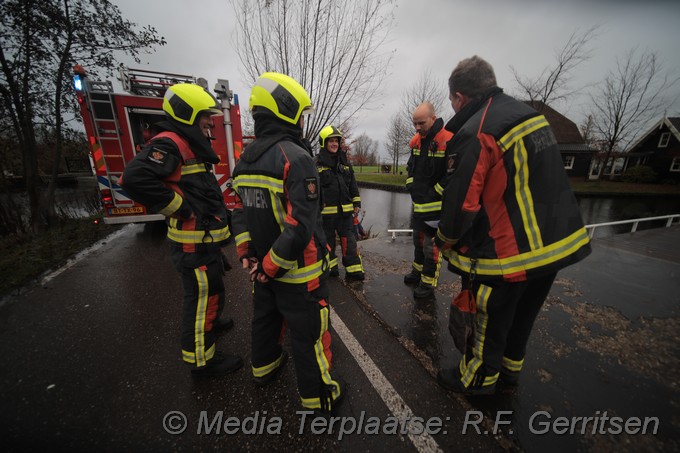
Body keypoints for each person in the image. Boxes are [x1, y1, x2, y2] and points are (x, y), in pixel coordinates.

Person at [435, 56, 591, 395]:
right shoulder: (532, 117)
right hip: (552, 247)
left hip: (507, 251)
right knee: (522, 318)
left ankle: (476, 378)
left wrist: (444, 239)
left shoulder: (476, 129)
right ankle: (508, 373)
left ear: (459, 96)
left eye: (451, 100)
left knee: (489, 317)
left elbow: (462, 201)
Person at [230, 72, 345, 415]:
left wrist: (249, 257)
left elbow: (239, 213)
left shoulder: (245, 158)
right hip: (298, 274)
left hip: (262, 269)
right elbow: (300, 226)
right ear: (285, 109)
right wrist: (269, 267)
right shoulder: (295, 157)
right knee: (310, 331)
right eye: (299, 113)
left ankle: (263, 369)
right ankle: (318, 397)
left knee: (265, 320)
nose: (301, 120)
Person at [120, 83, 243, 377]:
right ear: (188, 114)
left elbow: (200, 190)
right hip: (192, 246)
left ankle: (210, 325)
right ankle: (202, 362)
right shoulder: (170, 143)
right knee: (201, 301)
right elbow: (133, 179)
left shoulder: (188, 144)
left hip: (202, 243)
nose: (210, 123)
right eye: (205, 116)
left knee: (212, 291)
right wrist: (181, 208)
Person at [404, 102, 453, 298]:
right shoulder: (416, 141)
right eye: (414, 123)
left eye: (421, 123)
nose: (417, 127)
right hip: (419, 204)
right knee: (418, 240)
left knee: (431, 245)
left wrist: (435, 192)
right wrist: (411, 185)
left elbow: (453, 174)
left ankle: (428, 281)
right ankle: (417, 272)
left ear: (433, 118)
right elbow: (410, 168)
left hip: (437, 206)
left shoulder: (448, 140)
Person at [317, 125, 365, 280]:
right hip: (325, 215)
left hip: (345, 212)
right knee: (327, 242)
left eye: (336, 141)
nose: (334, 144)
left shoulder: (345, 162)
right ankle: (331, 268)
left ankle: (354, 269)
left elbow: (353, 185)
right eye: (330, 141)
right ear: (324, 143)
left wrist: (356, 203)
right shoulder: (316, 164)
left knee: (349, 241)